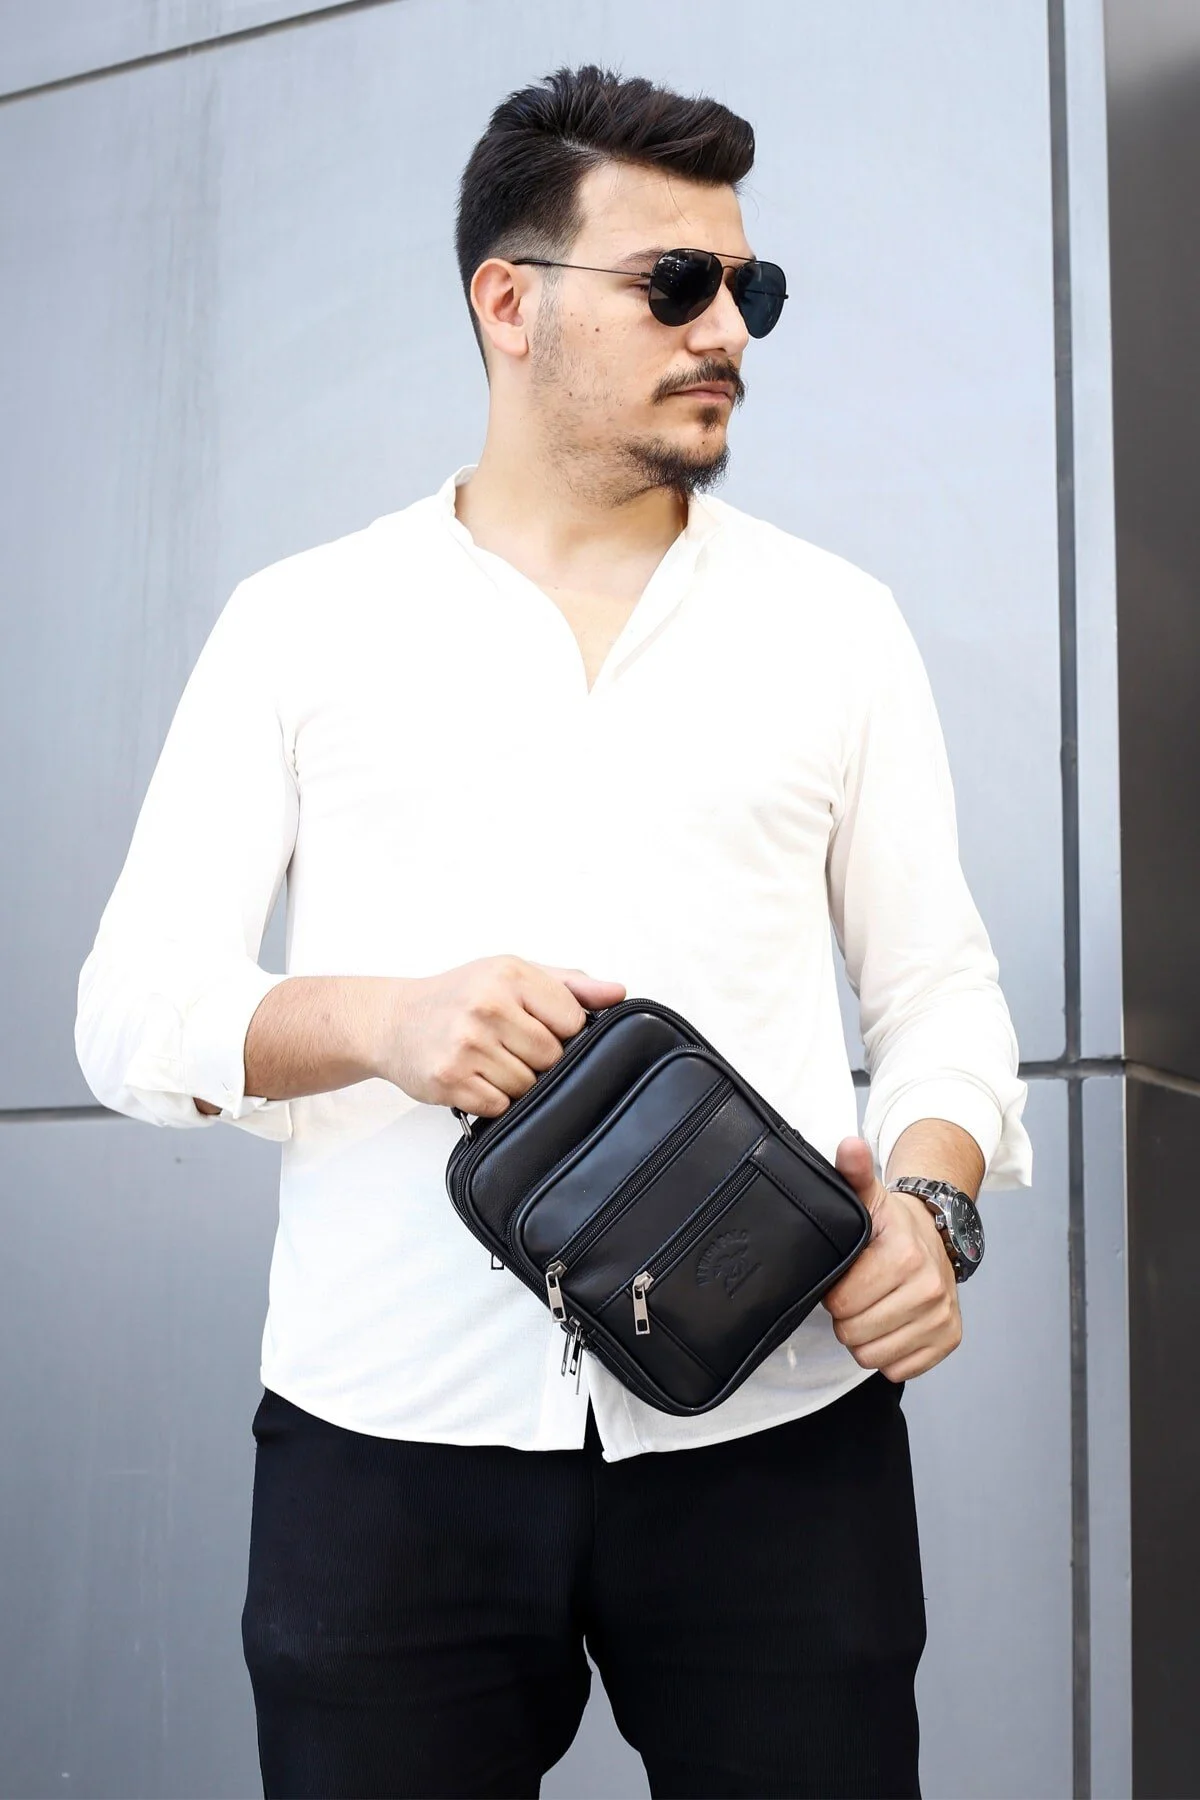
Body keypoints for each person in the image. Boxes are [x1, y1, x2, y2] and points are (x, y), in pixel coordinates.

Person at [75, 63, 1032, 1800]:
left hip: (777, 1428)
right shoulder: (302, 624)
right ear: (507, 303)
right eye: (677, 282)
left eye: (749, 288)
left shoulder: (838, 626)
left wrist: (935, 1201)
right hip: (388, 1446)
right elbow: (133, 1011)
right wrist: (382, 1023)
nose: (726, 327)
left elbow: (939, 990)